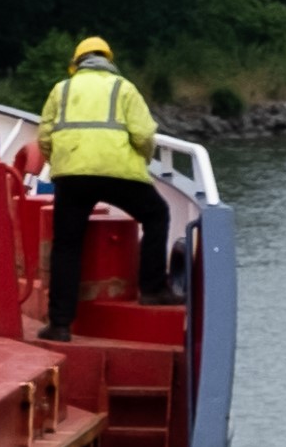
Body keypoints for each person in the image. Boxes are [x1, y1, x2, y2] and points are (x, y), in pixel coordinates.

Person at [31, 37, 186, 308]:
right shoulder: (124, 88)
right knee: (156, 214)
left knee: (66, 244)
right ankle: (152, 290)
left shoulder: (61, 90)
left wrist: (62, 164)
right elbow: (144, 135)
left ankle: (60, 322)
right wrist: (142, 159)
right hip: (119, 174)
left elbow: (44, 137)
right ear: (108, 61)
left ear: (76, 63)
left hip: (73, 177)